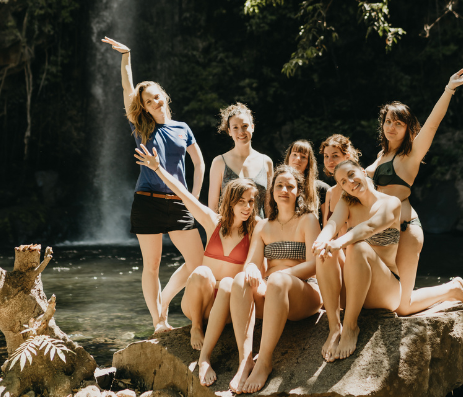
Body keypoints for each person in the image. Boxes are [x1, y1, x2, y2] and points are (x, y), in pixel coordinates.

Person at [103, 37, 207, 334]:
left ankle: (166, 301)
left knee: (199, 262)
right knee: (151, 265)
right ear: (144, 108)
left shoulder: (182, 128)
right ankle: (158, 321)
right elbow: (127, 88)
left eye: (157, 97)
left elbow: (199, 163)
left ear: (165, 97)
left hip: (178, 202)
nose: (155, 102)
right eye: (148, 101)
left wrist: (193, 199)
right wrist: (126, 56)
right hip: (147, 201)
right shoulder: (141, 128)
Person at [134, 144, 257, 387]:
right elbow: (183, 193)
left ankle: (209, 356)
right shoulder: (213, 222)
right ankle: (196, 327)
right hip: (198, 303)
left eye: (251, 202)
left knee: (228, 283)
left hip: (226, 305)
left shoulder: (255, 230)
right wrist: (157, 169)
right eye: (241, 201)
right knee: (200, 270)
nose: (247, 207)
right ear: (230, 202)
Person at [365, 68, 463, 315]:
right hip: (381, 231)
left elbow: (433, 124)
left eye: (398, 123)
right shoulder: (382, 154)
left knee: (402, 307)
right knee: (383, 298)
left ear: (407, 128)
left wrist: (449, 89)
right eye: (388, 121)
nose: (391, 127)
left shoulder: (411, 154)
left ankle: (453, 288)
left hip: (406, 230)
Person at [227, 165, 323, 393]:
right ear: (272, 191)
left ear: (299, 191)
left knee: (278, 281)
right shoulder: (262, 225)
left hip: (303, 291)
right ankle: (245, 360)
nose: (284, 190)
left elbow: (314, 265)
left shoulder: (308, 219)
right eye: (279, 185)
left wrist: (279, 276)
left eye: (290, 186)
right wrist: (252, 269)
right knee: (240, 279)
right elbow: (251, 262)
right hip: (271, 291)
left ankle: (264, 362)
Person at [313, 160, 403, 362]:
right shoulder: (347, 201)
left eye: (351, 175)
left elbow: (369, 227)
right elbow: (333, 223)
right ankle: (335, 327)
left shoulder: (391, 203)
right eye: (343, 182)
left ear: (362, 171)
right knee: (324, 252)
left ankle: (350, 326)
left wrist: (339, 242)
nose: (350, 183)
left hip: (384, 292)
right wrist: (322, 241)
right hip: (354, 289)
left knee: (357, 246)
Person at [207, 103, 273, 216]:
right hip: (229, 227)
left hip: (260, 226)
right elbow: (213, 208)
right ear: (229, 131)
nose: (241, 131)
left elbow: (269, 207)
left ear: (252, 127)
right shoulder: (219, 162)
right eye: (235, 127)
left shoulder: (266, 162)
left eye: (245, 126)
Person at [282, 140, 329, 224]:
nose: (298, 159)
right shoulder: (279, 187)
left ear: (308, 163)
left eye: (303, 157)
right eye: (294, 154)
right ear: (288, 158)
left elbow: (327, 224)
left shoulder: (321, 189)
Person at [319, 134, 360, 226]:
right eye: (326, 156)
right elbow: (326, 226)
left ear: (347, 156)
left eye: (335, 155)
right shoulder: (330, 192)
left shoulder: (357, 187)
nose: (330, 161)